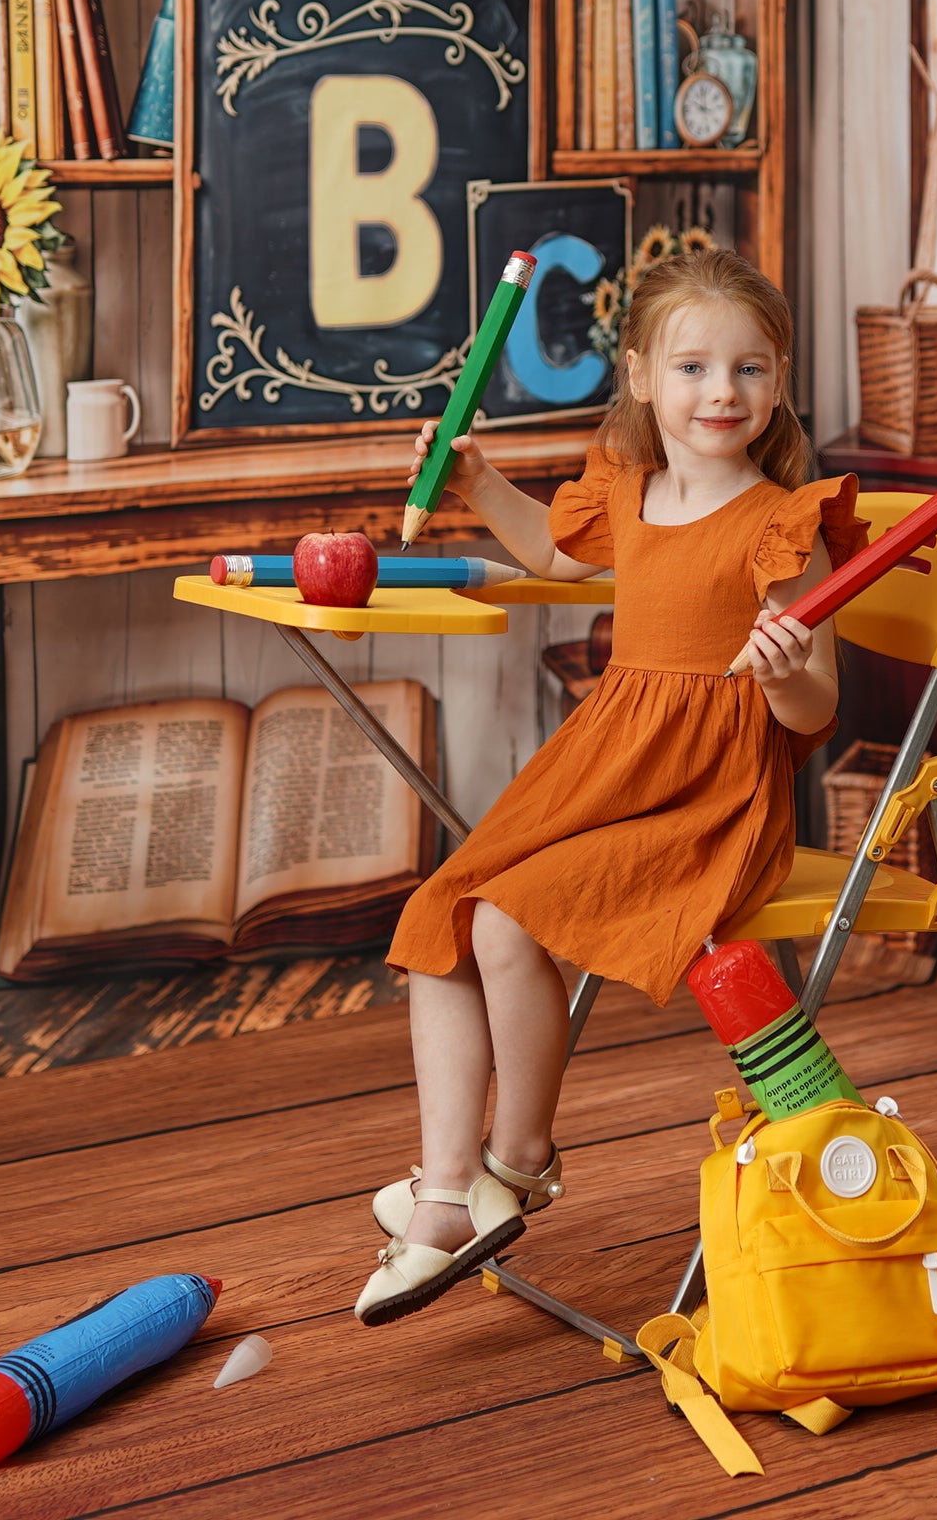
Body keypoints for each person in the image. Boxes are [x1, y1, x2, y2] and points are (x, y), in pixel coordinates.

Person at [356, 248, 865, 1327]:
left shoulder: (783, 522)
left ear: (776, 383)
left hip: (708, 795)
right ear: (638, 375)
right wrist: (471, 479)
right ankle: (449, 1188)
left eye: (748, 368)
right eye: (690, 366)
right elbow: (550, 541)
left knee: (502, 921)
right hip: (607, 763)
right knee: (440, 910)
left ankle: (521, 1160)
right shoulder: (629, 491)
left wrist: (785, 677)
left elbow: (814, 711)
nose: (720, 391)